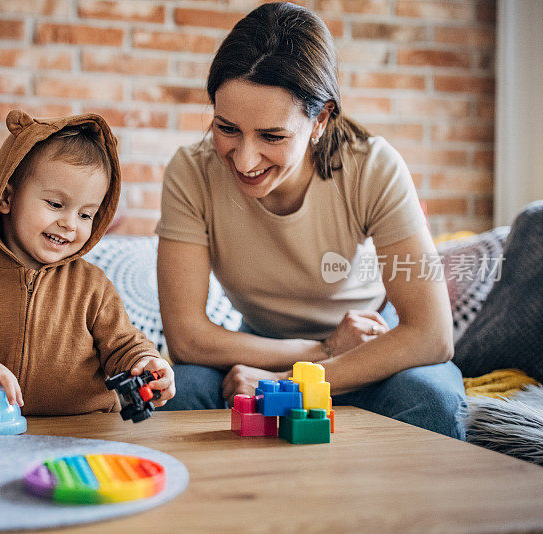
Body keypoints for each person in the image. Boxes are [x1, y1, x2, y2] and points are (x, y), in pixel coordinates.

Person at [155, 2, 466, 439]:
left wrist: (286, 386)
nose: (244, 160)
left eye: (271, 136)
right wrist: (320, 351)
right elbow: (186, 337)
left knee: (429, 397)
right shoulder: (191, 172)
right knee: (180, 391)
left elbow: (432, 334)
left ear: (320, 119)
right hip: (260, 343)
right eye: (227, 128)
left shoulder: (374, 167)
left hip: (371, 345)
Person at [0, 109, 175, 415]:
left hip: (88, 430)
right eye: (56, 204)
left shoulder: (92, 286)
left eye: (86, 214)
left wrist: (145, 361)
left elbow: (123, 344)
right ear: (6, 198)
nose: (70, 224)